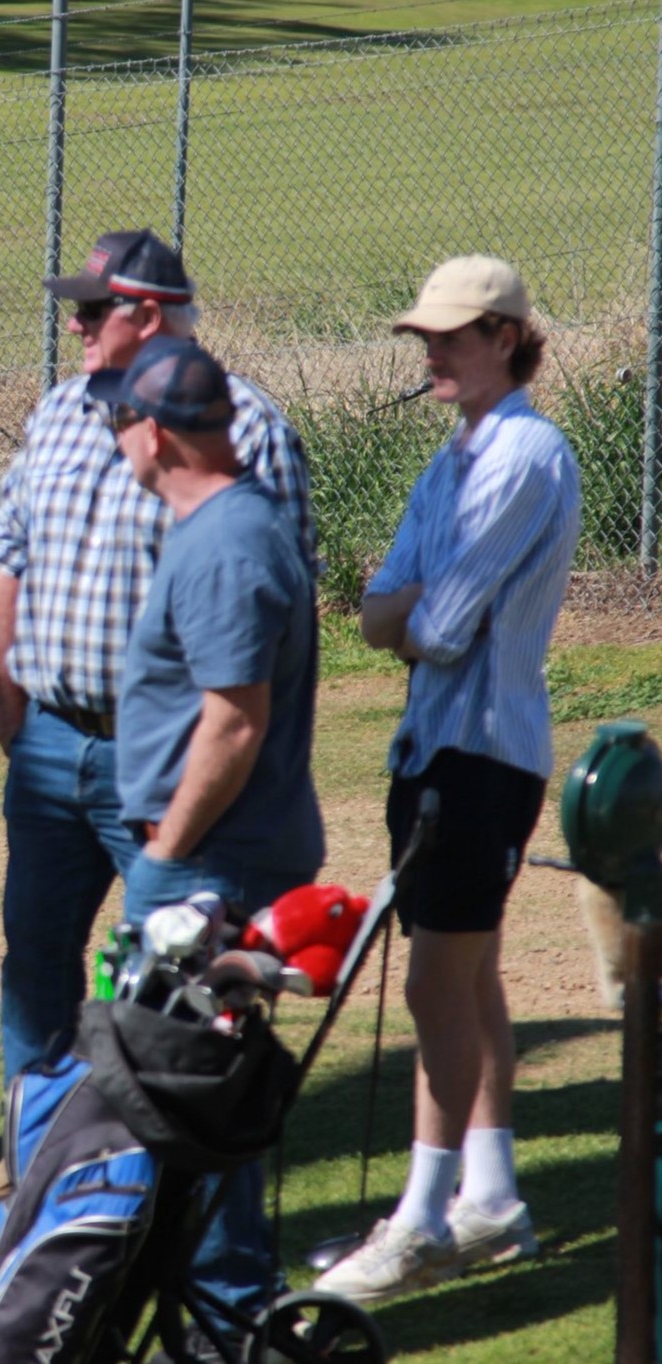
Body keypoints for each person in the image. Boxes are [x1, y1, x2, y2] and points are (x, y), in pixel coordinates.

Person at [0, 228, 314, 1202]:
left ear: (151, 315)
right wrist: (10, 704)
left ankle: (161, 1183)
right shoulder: (55, 413)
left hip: (171, 764)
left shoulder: (242, 428)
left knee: (175, 992)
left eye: (94, 308)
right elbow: (8, 550)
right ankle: (35, 1159)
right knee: (35, 963)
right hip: (50, 741)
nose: (75, 324)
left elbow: (268, 619)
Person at [316, 255, 579, 1305]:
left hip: (483, 757)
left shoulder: (525, 453)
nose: (432, 350)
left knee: (434, 980)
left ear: (510, 338)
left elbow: (427, 621)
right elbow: (383, 604)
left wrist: (403, 613)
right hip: (435, 751)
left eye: (454, 334)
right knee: (467, 977)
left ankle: (422, 1220)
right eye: (425, 335)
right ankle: (490, 1195)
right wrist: (402, 612)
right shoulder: (449, 461)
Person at [94, 336, 323, 1359]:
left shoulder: (229, 540)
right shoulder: (217, 523)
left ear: (155, 432)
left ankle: (235, 1317)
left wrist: (162, 856)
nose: (115, 440)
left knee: (199, 1094)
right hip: (207, 854)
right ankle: (218, 1308)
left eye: (118, 422)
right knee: (191, 1094)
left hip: (210, 863)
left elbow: (233, 721)